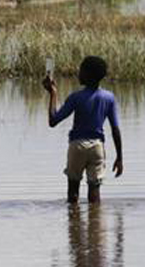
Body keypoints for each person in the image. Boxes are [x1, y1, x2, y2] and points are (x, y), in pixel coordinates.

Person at [44, 56, 123, 204]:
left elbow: (53, 121)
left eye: (81, 71)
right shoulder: (109, 98)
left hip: (77, 146)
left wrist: (53, 93)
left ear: (87, 75)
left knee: (73, 193)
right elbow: (115, 130)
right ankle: (95, 217)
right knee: (95, 195)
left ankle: (73, 218)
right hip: (97, 148)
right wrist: (119, 158)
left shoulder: (76, 97)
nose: (78, 73)